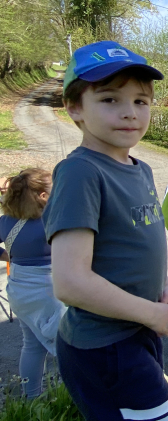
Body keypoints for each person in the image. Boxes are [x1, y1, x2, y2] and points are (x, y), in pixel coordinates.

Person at [44, 41, 168, 420]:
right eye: (109, 100)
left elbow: (140, 234)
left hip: (137, 331)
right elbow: (69, 282)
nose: (129, 113)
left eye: (140, 101)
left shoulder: (143, 168)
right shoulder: (81, 172)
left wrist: (162, 285)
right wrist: (151, 315)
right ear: (74, 108)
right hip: (106, 346)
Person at [0, 169, 66, 399]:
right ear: (42, 195)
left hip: (20, 291)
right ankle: (76, 396)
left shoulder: (7, 221)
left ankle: (31, 398)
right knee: (70, 347)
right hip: (51, 291)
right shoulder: (53, 219)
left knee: (32, 345)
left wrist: (6, 255)